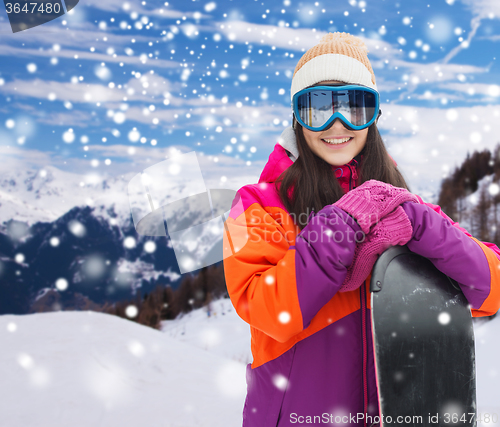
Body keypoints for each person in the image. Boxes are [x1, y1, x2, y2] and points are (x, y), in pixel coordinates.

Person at [222, 32, 500, 427]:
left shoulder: (403, 206)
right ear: (297, 119)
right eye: (318, 109)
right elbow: (268, 311)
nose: (337, 124)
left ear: (374, 116)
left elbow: (491, 287)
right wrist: (342, 224)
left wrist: (422, 225)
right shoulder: (251, 205)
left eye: (355, 107)